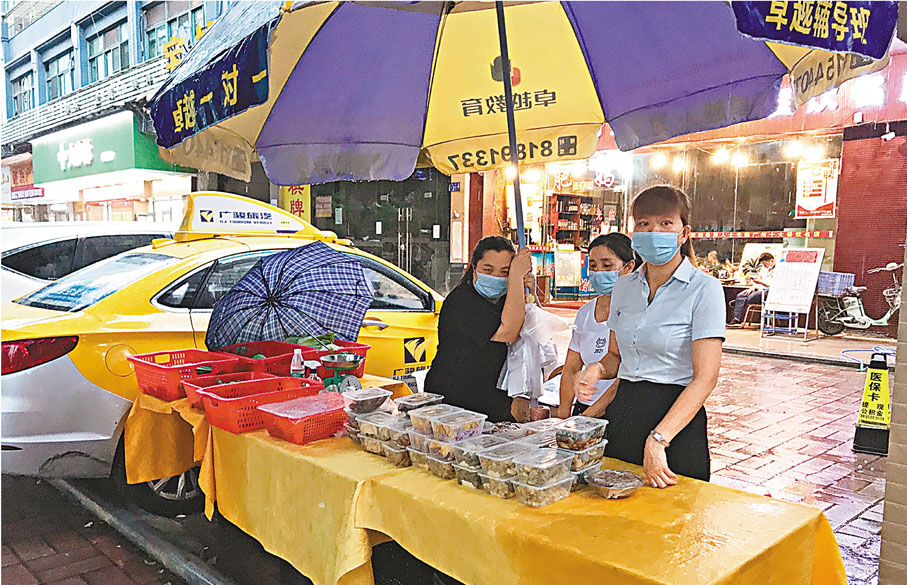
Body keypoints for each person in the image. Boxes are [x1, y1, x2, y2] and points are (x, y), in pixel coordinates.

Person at [575, 185, 725, 487]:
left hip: (676, 423)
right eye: (644, 223)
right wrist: (596, 368)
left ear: (684, 233)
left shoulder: (704, 289)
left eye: (665, 223)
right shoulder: (624, 287)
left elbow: (705, 378)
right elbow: (617, 357)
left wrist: (659, 440)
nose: (653, 230)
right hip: (625, 415)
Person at [425, 236, 533, 422]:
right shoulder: (461, 301)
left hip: (489, 399)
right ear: (474, 267)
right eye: (488, 270)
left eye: (504, 272)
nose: (496, 277)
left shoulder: (505, 301)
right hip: (453, 400)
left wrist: (525, 288)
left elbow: (534, 326)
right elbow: (508, 332)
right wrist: (515, 277)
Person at [557, 233, 638, 419]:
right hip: (585, 408)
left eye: (607, 266)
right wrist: (563, 414)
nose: (598, 272)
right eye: (593, 266)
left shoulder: (635, 310)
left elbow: (624, 372)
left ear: (628, 267)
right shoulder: (585, 313)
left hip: (618, 410)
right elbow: (571, 368)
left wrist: (591, 416)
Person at [729, 252, 774, 325]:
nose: (765, 266)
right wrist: (752, 288)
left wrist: (760, 282)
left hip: (768, 292)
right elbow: (758, 280)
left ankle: (739, 303)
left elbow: (771, 285)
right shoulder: (763, 269)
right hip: (759, 289)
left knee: (751, 297)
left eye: (766, 264)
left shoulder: (777, 271)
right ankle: (737, 318)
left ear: (771, 261)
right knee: (741, 295)